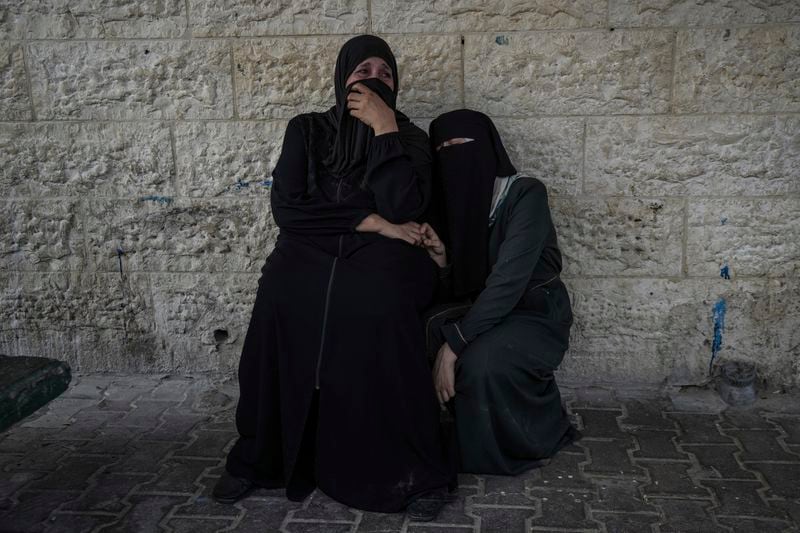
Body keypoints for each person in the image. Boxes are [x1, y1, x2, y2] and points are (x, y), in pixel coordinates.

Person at [213, 35, 452, 518]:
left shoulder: (410, 138)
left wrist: (385, 130)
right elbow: (289, 208)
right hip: (313, 244)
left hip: (384, 255)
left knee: (378, 301)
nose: (375, 79)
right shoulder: (307, 129)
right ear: (344, 79)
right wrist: (373, 220)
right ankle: (261, 456)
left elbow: (407, 207)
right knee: (282, 293)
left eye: (385, 73)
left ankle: (402, 465)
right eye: (363, 71)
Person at [420, 109, 580, 475]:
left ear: (488, 148)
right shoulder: (459, 202)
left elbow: (508, 281)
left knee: (481, 363)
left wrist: (453, 345)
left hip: (535, 315)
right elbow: (467, 282)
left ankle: (527, 436)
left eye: (461, 145)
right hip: (486, 311)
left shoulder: (524, 195)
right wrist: (444, 261)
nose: (452, 155)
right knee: (413, 331)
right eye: (442, 148)